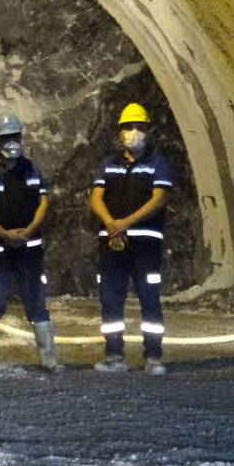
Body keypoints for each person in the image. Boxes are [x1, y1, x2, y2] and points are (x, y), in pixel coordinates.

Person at [0, 113, 62, 377]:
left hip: (29, 251)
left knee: (36, 302)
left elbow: (42, 201)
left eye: (15, 137)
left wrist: (28, 231)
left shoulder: (31, 169)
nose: (12, 143)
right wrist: (3, 233)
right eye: (6, 138)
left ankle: (50, 360)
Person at [89, 102, 174, 376]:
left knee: (149, 298)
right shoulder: (109, 164)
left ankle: (153, 357)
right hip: (112, 243)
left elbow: (159, 200)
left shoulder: (157, 163)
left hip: (145, 244)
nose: (133, 132)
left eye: (138, 127)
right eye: (128, 127)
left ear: (148, 130)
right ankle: (114, 355)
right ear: (120, 131)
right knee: (111, 298)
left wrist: (125, 222)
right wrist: (111, 224)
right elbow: (96, 197)